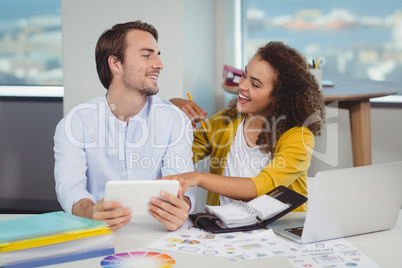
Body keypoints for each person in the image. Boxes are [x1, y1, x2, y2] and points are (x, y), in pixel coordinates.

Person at [54, 20, 196, 231]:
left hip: (159, 235)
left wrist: (182, 207)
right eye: (147, 55)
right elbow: (70, 186)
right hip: (99, 234)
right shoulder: (76, 123)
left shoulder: (175, 120)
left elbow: (181, 186)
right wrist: (90, 211)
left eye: (158, 54)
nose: (159, 64)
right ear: (116, 64)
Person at [167, 41, 325, 211]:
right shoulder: (224, 122)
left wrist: (198, 177)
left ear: (279, 97)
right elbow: (176, 155)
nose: (242, 85)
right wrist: (171, 108)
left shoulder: (298, 137)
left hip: (278, 231)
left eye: (255, 84)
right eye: (244, 75)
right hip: (225, 228)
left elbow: (260, 187)